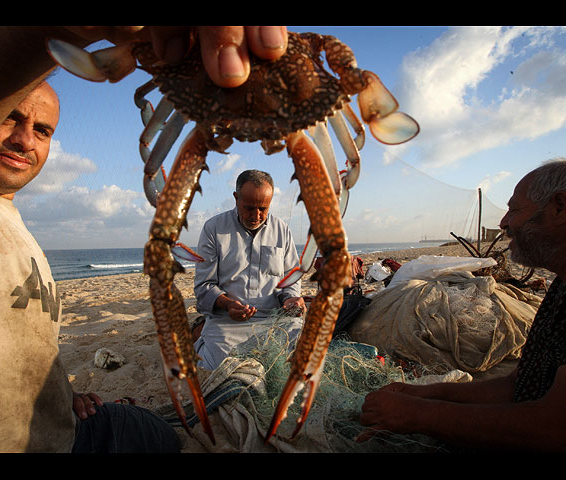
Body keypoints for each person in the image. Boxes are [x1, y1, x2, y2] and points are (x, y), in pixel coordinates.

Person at [0, 26, 288, 453]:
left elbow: (17, 340)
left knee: (160, 435)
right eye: (9, 117)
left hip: (66, 423)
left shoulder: (15, 227)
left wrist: (61, 393)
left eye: (42, 130)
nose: (25, 139)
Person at [357, 158, 566, 452]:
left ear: (559, 207)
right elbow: (518, 385)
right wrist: (428, 394)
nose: (504, 223)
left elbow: (554, 428)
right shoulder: (560, 287)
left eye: (515, 210)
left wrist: (415, 414)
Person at [193, 170, 306, 370]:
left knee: (302, 355)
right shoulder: (214, 229)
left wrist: (290, 299)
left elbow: (290, 279)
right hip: (227, 324)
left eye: (263, 208)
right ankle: (201, 344)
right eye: (249, 208)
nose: (256, 216)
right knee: (224, 369)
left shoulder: (282, 230)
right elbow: (204, 286)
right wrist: (227, 305)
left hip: (274, 321)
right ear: (236, 198)